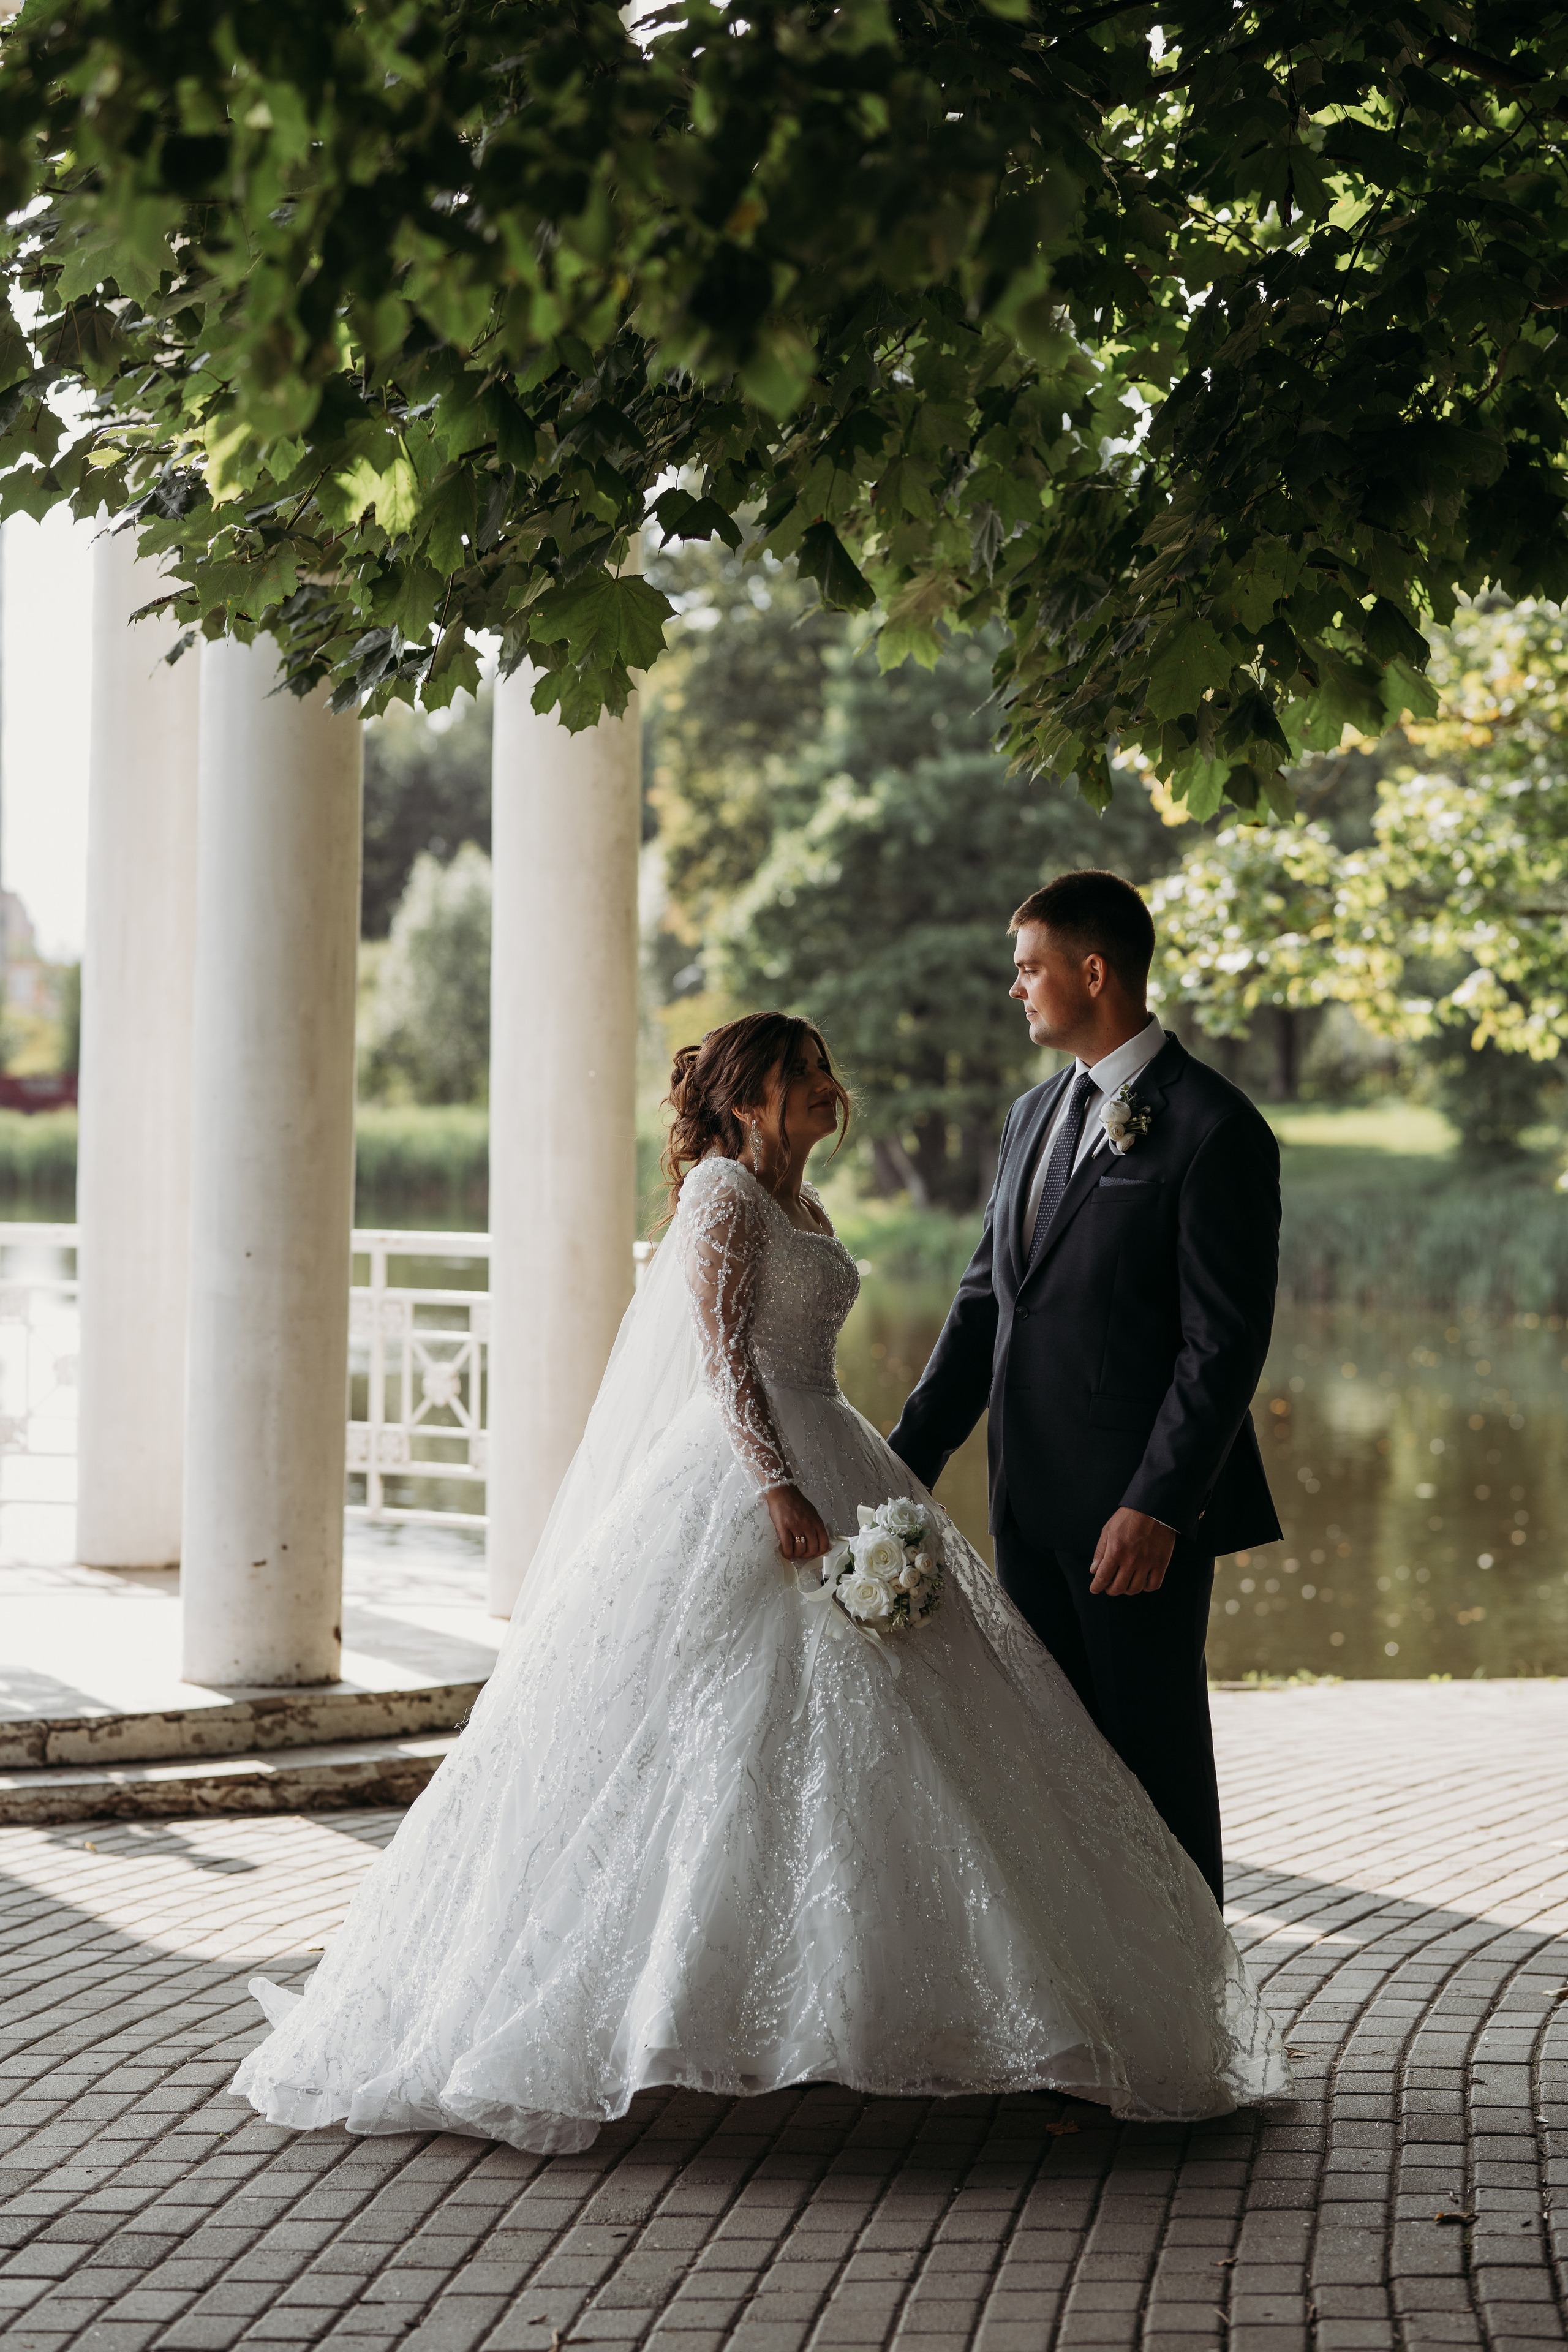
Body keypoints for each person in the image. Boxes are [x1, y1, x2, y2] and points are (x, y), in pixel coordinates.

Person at [233, 1010, 1287, 2155]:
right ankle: (670, 2011)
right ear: (749, 1099)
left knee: (891, 1744)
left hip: (836, 1449)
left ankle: (886, 2003)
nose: (831, 1087)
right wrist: (778, 1486)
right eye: (806, 1074)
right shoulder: (726, 1197)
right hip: (750, 1476)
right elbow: (724, 1359)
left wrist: (870, 1471)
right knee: (707, 1741)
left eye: (828, 1066)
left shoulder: (808, 1207)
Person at [888, 871, 1284, 1909]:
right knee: (1056, 1778)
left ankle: (1191, 2035)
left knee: (1153, 1770)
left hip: (1133, 1527)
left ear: (1093, 971)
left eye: (1029, 969)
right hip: (1026, 1508)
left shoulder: (1213, 1128)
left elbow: (1223, 1346)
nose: (1014, 990)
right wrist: (898, 1467)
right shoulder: (1030, 1117)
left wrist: (1158, 1503)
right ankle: (1095, 2024)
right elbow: (986, 1307)